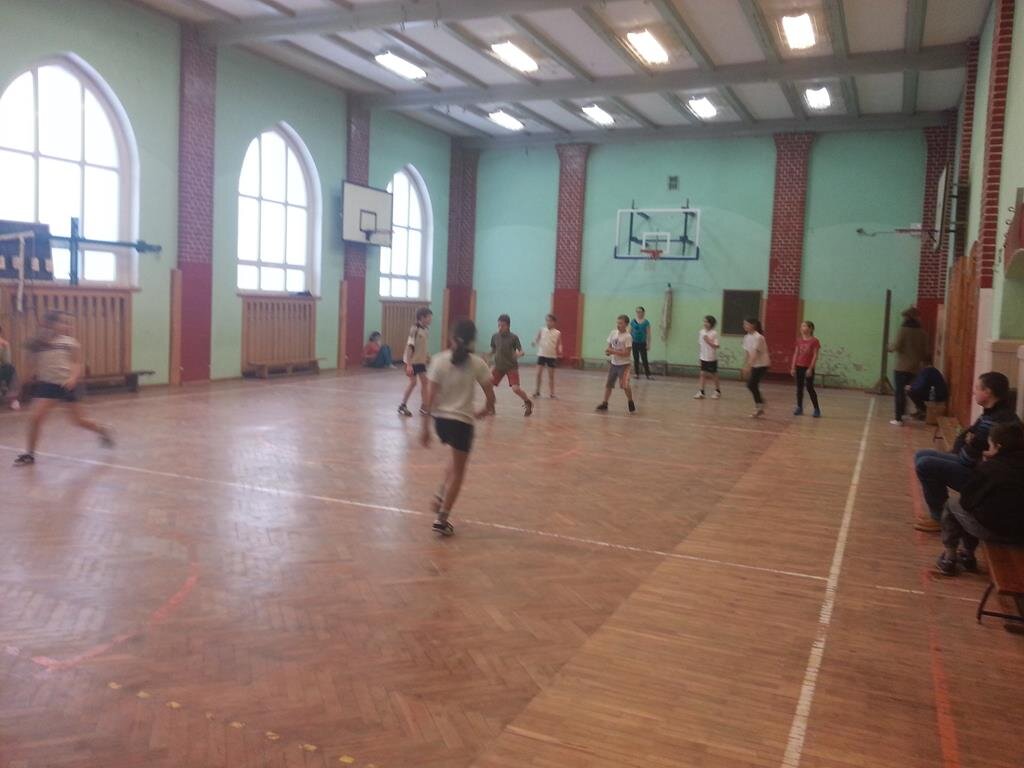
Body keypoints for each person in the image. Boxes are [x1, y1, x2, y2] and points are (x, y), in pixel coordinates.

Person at [912, 371, 1020, 532]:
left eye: (977, 388)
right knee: (921, 455)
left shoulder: (994, 421)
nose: (973, 391)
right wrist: (967, 443)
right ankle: (941, 512)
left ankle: (940, 518)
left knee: (925, 464)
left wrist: (967, 444)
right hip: (978, 466)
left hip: (984, 480)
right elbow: (965, 437)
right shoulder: (994, 413)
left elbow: (966, 458)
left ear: (988, 392)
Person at [421, 318, 496, 537]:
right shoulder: (478, 363)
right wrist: (485, 409)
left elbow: (428, 398)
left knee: (454, 461)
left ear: (451, 337)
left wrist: (425, 428)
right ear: (473, 340)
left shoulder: (438, 360)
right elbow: (491, 396)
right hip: (462, 423)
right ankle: (442, 519)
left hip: (441, 423)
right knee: (459, 471)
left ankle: (440, 494)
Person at [14, 311, 113, 466]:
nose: (66, 326)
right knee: (35, 418)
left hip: (67, 385)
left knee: (79, 421)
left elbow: (77, 363)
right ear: (49, 324)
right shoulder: (38, 344)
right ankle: (29, 454)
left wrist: (72, 378)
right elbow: (30, 365)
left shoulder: (70, 343)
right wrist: (23, 383)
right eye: (62, 322)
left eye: (66, 323)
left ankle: (102, 430)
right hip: (48, 385)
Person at [935, 421, 1024, 576]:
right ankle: (966, 555)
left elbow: (967, 501)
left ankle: (951, 557)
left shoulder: (991, 468)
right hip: (1020, 532)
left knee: (953, 505)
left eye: (990, 445)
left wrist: (982, 466)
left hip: (995, 530)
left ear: (998, 447)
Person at [888, 306, 928, 425]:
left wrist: (889, 347)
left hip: (902, 367)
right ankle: (914, 412)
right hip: (915, 368)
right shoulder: (922, 333)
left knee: (899, 392)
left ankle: (898, 418)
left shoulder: (903, 330)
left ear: (907, 317)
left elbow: (896, 346)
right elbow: (925, 352)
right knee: (910, 391)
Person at [489, 314, 533, 416]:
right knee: (488, 386)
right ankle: (491, 406)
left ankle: (528, 402)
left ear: (508, 326)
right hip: (498, 366)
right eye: (498, 325)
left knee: (515, 389)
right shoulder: (495, 336)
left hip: (511, 367)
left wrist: (518, 354)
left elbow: (521, 351)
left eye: (502, 326)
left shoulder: (514, 337)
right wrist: (487, 357)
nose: (500, 328)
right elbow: (493, 350)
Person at [596, 314, 635, 413]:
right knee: (609, 384)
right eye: (617, 323)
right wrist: (608, 351)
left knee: (625, 385)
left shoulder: (628, 337)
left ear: (626, 324)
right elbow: (609, 347)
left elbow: (627, 353)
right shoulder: (613, 333)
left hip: (624, 365)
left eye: (621, 323)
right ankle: (605, 403)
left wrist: (613, 351)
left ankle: (630, 401)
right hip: (614, 364)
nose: (618, 325)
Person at [398, 307, 432, 416]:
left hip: (420, 362)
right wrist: (409, 365)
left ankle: (424, 406)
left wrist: (427, 356)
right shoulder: (414, 330)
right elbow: (410, 347)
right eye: (429, 317)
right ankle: (402, 406)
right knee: (413, 383)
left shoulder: (426, 330)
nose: (431, 319)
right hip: (411, 362)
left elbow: (422, 346)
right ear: (422, 317)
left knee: (425, 382)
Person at [790, 320, 821, 417]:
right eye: (801, 326)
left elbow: (815, 355)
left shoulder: (814, 341)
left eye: (804, 326)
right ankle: (799, 407)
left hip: (808, 367)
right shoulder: (799, 340)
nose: (802, 328)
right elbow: (796, 353)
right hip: (799, 366)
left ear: (810, 328)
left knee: (809, 387)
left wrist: (810, 368)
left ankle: (816, 409)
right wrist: (793, 367)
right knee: (799, 388)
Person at [741, 317, 770, 418]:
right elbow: (747, 353)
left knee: (751, 384)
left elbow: (755, 354)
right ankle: (760, 405)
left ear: (753, 325)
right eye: (744, 324)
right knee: (752, 385)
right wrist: (744, 365)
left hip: (762, 364)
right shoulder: (746, 337)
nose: (744, 326)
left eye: (746, 324)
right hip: (754, 364)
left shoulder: (759, 337)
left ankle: (760, 405)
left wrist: (748, 367)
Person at [531, 313, 563, 399]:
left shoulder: (557, 333)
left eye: (550, 321)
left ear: (554, 322)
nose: (548, 322)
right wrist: (534, 342)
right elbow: (537, 338)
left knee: (551, 376)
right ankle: (537, 391)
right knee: (538, 374)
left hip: (551, 356)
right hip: (541, 355)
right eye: (547, 320)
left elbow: (560, 343)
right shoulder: (542, 330)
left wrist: (560, 349)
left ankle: (552, 393)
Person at [693, 315, 721, 400]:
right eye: (704, 321)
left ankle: (717, 391)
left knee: (714, 374)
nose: (705, 323)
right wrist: (700, 356)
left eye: (707, 322)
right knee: (702, 374)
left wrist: (708, 340)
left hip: (711, 357)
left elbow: (717, 346)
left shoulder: (714, 333)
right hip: (703, 357)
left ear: (711, 323)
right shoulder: (701, 332)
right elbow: (700, 345)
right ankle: (701, 392)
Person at [0, 323, 21, 410]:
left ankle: (13, 400)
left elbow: (6, 362)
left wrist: (5, 347)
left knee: (10, 368)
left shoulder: (3, 344)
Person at [630, 306, 653, 380]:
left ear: (643, 313)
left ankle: (648, 374)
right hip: (634, 343)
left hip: (643, 343)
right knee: (636, 359)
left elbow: (648, 334)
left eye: (640, 312)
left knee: (644, 359)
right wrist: (628, 343)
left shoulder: (646, 322)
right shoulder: (633, 322)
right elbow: (629, 333)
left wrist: (648, 344)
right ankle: (636, 374)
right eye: (637, 312)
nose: (639, 313)